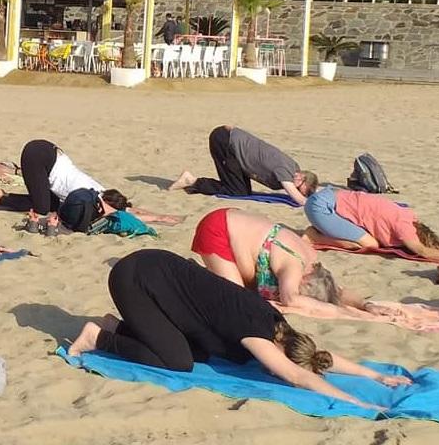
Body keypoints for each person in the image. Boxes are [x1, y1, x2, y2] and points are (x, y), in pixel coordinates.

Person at [68, 249, 409, 409]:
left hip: (159, 270)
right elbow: (297, 376)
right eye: (276, 363)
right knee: (177, 362)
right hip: (135, 277)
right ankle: (99, 337)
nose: (272, 370)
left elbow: (317, 358)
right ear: (279, 350)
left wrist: (375, 376)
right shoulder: (257, 335)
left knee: (200, 353)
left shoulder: (280, 327)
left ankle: (117, 326)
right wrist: (358, 403)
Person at [191, 207, 369, 317]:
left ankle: (201, 273)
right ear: (304, 281)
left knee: (246, 292)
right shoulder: (293, 267)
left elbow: (338, 291)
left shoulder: (313, 262)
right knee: (237, 299)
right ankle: (193, 275)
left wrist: (365, 305)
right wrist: (345, 313)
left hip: (236, 221)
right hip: (220, 229)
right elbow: (290, 299)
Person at [0, 139, 171, 235]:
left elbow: (128, 210)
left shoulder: (100, 191)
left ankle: (2, 197)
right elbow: (124, 213)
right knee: (42, 208)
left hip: (48, 152)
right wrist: (156, 218)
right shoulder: (90, 197)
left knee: (51, 203)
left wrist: (159, 217)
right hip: (38, 156)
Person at [304, 186, 439, 263]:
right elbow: (423, 250)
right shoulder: (404, 228)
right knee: (369, 244)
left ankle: (321, 230)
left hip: (330, 197)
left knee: (368, 239)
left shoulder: (409, 216)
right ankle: (314, 236)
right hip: (322, 206)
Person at [169, 125, 317, 206]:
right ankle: (192, 181)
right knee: (236, 192)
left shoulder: (294, 167)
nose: (297, 189)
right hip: (224, 141)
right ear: (301, 177)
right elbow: (297, 197)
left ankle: (193, 182)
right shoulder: (286, 171)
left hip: (234, 148)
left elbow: (306, 192)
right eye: (299, 188)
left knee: (242, 191)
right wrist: (311, 205)